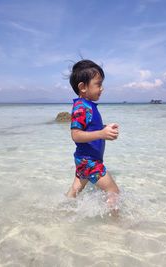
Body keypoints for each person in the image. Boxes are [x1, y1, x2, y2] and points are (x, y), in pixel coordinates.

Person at [66, 59, 119, 209]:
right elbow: (75, 135)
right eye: (98, 84)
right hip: (89, 161)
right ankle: (115, 225)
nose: (102, 89)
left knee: (75, 191)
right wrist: (101, 134)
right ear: (82, 87)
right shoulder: (81, 107)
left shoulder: (87, 106)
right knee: (113, 192)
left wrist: (104, 128)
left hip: (84, 160)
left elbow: (89, 128)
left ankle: (62, 212)